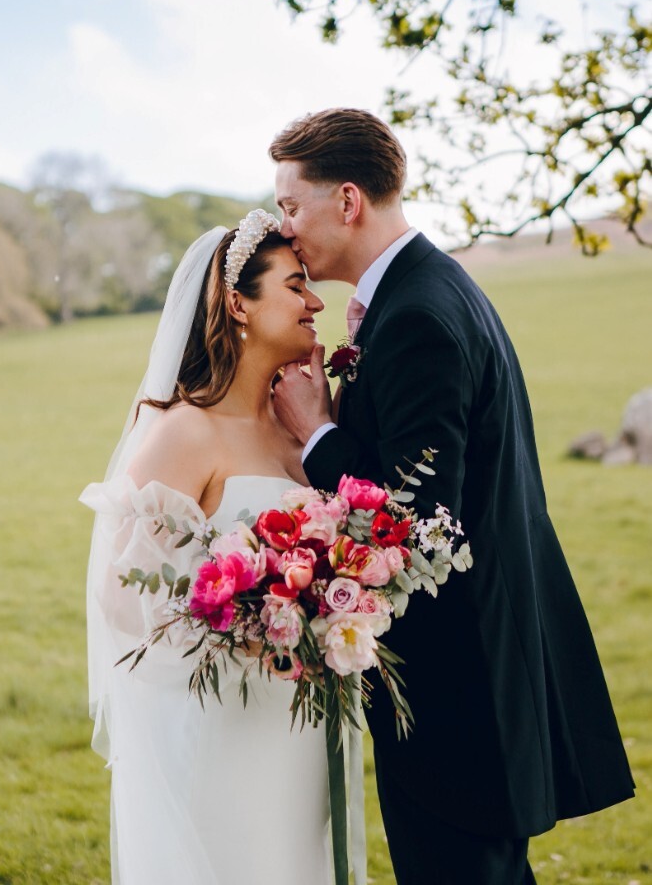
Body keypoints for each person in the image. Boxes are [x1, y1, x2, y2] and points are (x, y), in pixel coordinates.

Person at [270, 108, 635, 885]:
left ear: (346, 201)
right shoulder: (421, 290)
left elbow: (417, 522)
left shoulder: (418, 319)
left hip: (459, 690)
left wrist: (315, 435)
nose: (283, 224)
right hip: (477, 674)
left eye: (290, 204)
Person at [80, 213, 333, 885]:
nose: (316, 301)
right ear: (237, 302)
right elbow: (118, 594)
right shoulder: (186, 432)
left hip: (300, 718)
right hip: (221, 716)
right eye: (296, 285)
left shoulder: (297, 431)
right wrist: (243, 632)